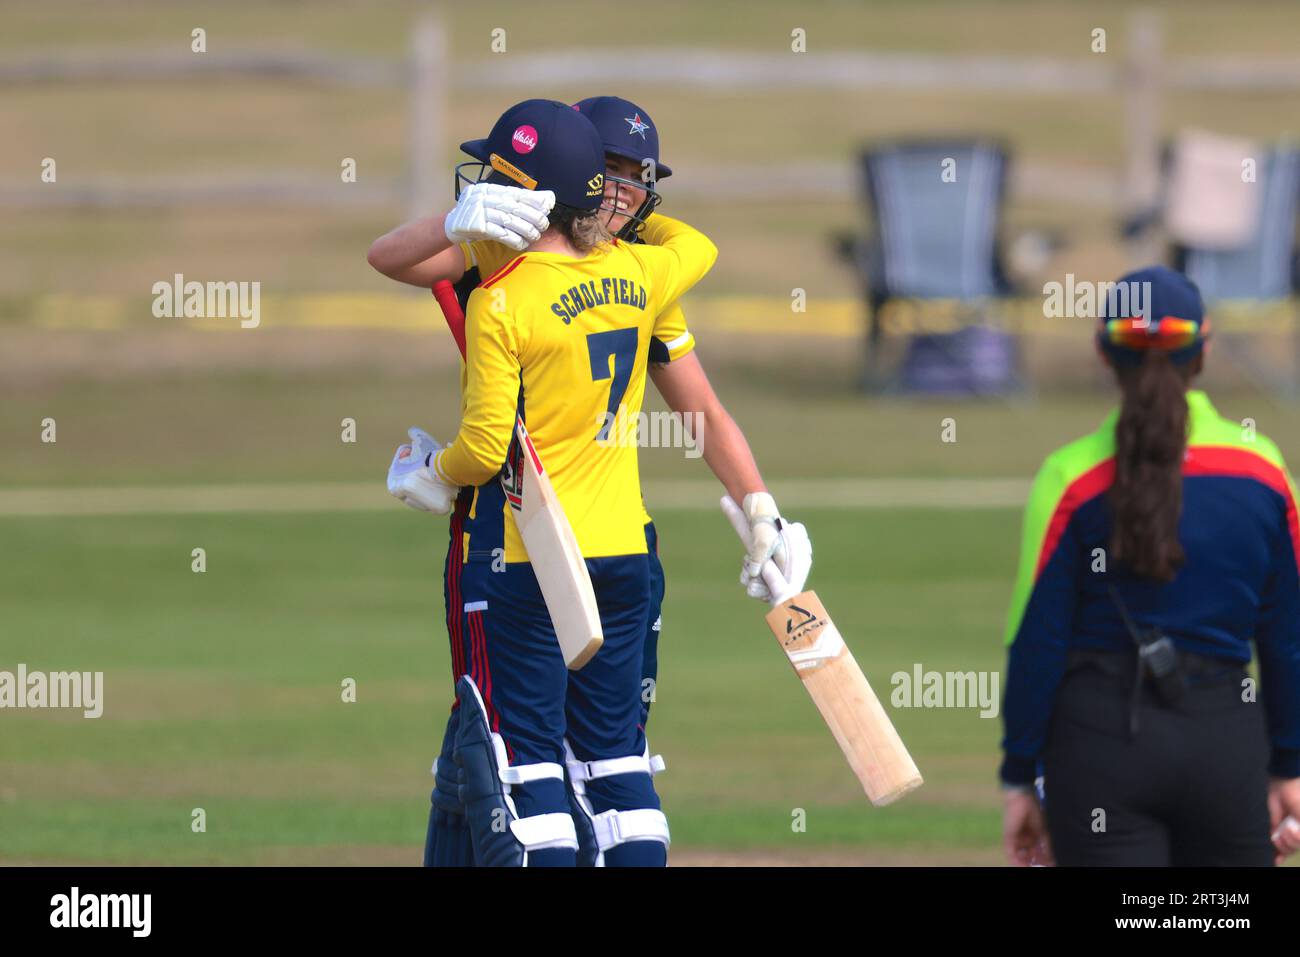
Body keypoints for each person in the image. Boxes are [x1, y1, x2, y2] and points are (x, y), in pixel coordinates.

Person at [369, 97, 811, 866]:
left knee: (532, 752)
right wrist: (459, 218)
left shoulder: (619, 275)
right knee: (553, 752)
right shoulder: (507, 249)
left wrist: (760, 505)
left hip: (516, 538)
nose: (621, 194)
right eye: (607, 175)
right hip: (588, 539)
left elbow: (700, 407)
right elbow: (391, 257)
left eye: (636, 182)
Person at [1000, 266, 1300, 867]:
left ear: (1104, 353)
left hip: (1097, 749)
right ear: (1204, 351)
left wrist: (1020, 776)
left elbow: (1037, 642)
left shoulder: (1069, 477)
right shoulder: (1265, 473)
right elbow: (1287, 640)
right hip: (1225, 744)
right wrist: (1289, 766)